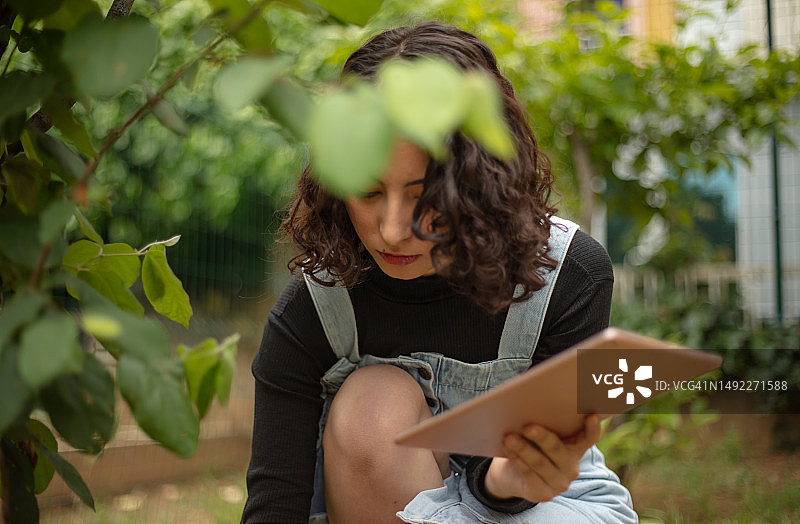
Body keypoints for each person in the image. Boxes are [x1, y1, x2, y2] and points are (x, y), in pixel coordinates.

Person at [241, 20, 637, 524]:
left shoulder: (568, 276)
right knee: (371, 402)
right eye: (367, 192)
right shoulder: (315, 310)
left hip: (544, 509)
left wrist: (503, 481)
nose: (391, 231)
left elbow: (526, 484)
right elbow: (275, 506)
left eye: (426, 196)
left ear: (481, 183)